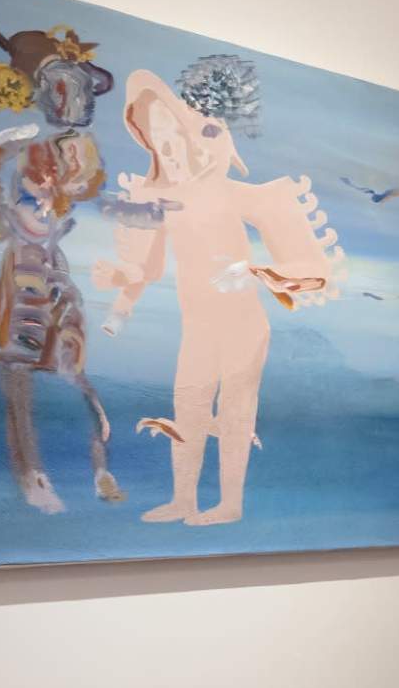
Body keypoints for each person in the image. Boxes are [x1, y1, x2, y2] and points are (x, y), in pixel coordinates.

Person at [89, 56, 340, 526]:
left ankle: (228, 505)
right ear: (146, 141)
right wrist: (119, 280)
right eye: (153, 134)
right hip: (198, 327)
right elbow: (147, 265)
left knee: (236, 409)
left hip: (244, 324)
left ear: (188, 130)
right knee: (188, 404)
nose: (167, 143)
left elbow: (310, 265)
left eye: (170, 129)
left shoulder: (230, 192)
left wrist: (257, 270)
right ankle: (184, 501)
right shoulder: (159, 201)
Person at [0, 24, 119, 511]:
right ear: (44, 92)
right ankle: (33, 474)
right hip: (28, 262)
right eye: (63, 86)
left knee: (71, 364)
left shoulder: (71, 149)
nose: (77, 97)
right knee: (20, 368)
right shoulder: (20, 147)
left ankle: (96, 467)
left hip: (52, 260)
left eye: (79, 86)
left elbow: (84, 186)